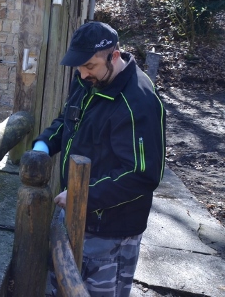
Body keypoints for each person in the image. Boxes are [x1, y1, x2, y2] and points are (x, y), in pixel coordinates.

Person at [33, 21, 166, 297]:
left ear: (113, 56)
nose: (82, 74)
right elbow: (67, 120)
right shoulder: (87, 80)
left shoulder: (137, 102)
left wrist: (83, 196)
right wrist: (43, 144)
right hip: (75, 211)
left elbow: (142, 174)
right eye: (79, 66)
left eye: (89, 66)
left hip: (110, 233)